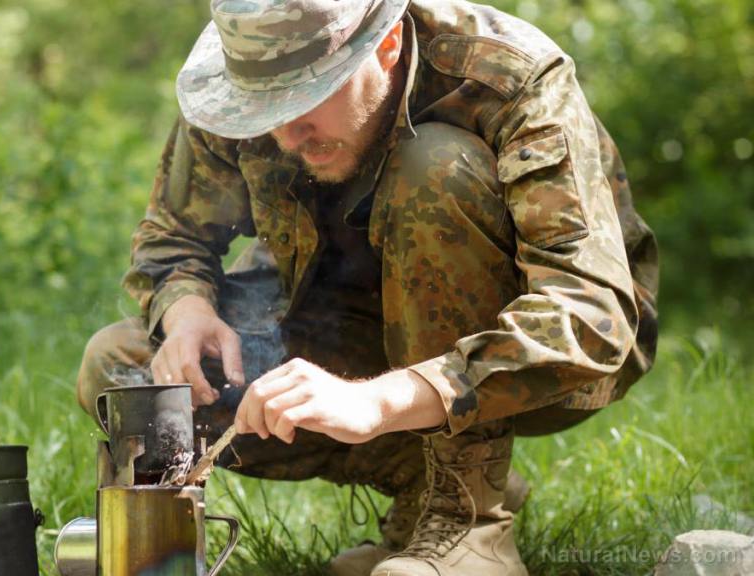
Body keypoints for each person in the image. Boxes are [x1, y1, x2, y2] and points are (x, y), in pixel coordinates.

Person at [77, 0, 659, 573]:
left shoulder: (508, 75)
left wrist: (376, 401)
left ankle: (470, 524)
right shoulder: (251, 70)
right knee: (123, 368)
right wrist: (186, 310)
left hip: (525, 351)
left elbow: (592, 313)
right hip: (334, 321)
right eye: (263, 109)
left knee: (435, 166)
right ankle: (423, 483)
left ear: (385, 46)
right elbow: (171, 233)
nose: (284, 132)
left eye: (306, 100)